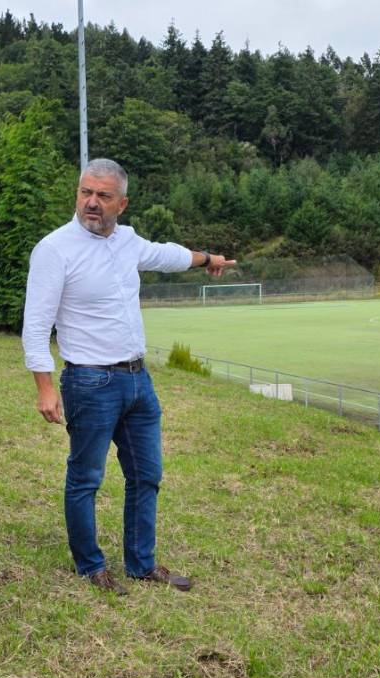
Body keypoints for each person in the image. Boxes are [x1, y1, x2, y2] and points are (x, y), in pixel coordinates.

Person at [21, 158, 234, 595]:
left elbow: (170, 255)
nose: (91, 203)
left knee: (146, 474)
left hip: (139, 381)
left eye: (102, 196)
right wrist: (44, 388)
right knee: (86, 478)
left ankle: (141, 564)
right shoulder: (54, 249)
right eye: (85, 193)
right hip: (89, 383)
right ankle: (91, 566)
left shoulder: (129, 242)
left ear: (123, 203)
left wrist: (208, 258)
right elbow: (36, 325)